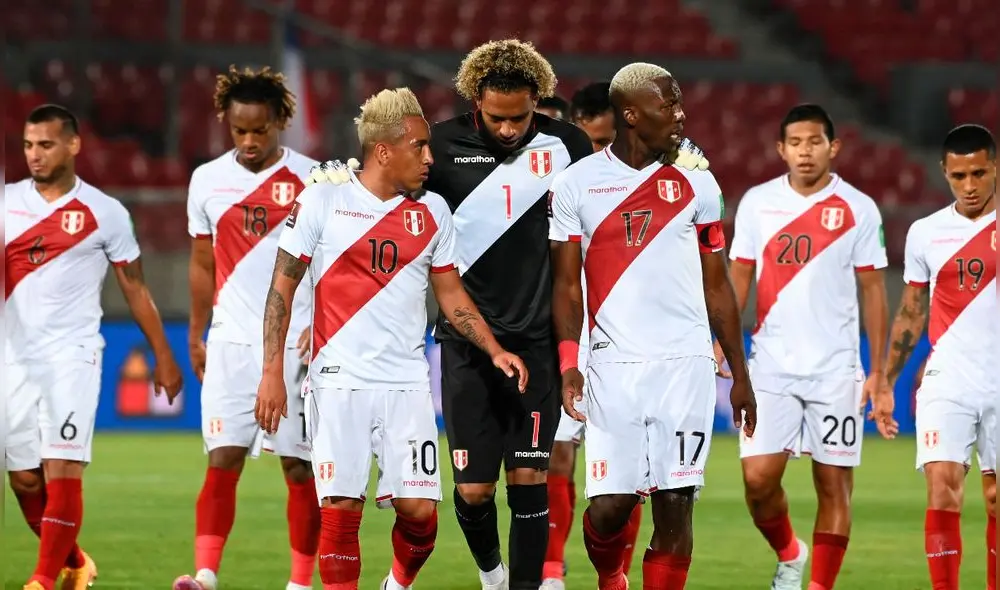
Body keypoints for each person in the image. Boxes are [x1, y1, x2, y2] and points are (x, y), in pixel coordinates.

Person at [305, 39, 710, 590]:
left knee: (529, 481)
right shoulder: (442, 146)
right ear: (476, 101)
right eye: (497, 118)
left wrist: (673, 166)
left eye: (521, 117)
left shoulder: (566, 144)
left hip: (538, 341)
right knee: (471, 494)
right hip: (466, 341)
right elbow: (393, 193)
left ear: (537, 104)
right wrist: (342, 178)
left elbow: (613, 193)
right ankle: (492, 574)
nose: (509, 130)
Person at [253, 87, 529, 590]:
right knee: (340, 508)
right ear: (384, 151)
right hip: (339, 381)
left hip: (406, 383)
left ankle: (395, 585)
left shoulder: (433, 213)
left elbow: (451, 294)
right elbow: (280, 291)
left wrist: (494, 349)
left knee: (421, 514)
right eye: (420, 147)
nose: (430, 157)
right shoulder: (323, 199)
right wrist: (272, 372)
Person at [549, 62, 756, 590]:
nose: (682, 115)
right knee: (610, 508)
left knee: (675, 503)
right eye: (670, 106)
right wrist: (569, 363)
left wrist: (740, 374)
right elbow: (568, 286)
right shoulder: (576, 185)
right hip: (611, 366)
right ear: (632, 114)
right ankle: (611, 573)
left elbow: (718, 287)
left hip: (684, 366)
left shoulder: (698, 183)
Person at [6, 104, 183, 590]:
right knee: (23, 479)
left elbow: (136, 288)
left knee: (62, 465)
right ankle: (76, 561)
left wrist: (164, 355)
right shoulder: (7, 204)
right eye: (27, 145)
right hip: (13, 358)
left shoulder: (105, 213)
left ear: (73, 145)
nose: (35, 155)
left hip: (73, 355)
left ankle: (41, 580)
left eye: (45, 144)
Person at [723, 103, 893, 590]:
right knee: (758, 480)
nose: (804, 151)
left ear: (832, 147)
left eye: (814, 142)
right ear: (781, 149)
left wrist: (877, 371)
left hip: (836, 369)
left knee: (834, 484)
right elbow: (738, 276)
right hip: (771, 365)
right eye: (795, 143)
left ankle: (818, 586)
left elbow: (875, 291)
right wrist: (724, 341)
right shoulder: (757, 203)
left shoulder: (859, 208)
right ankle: (789, 553)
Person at [174, 66, 320, 590]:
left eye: (260, 129)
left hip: (297, 343)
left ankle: (300, 583)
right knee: (223, 458)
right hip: (230, 342)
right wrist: (195, 333)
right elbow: (200, 262)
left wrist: (322, 323)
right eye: (239, 131)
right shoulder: (207, 180)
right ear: (226, 123)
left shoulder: (314, 177)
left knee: (299, 468)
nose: (250, 141)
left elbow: (335, 261)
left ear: (280, 120)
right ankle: (206, 575)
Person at [882, 123, 996, 590]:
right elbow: (911, 311)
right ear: (944, 173)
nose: (969, 186)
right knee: (943, 487)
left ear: (994, 169)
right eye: (958, 176)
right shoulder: (926, 233)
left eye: (979, 174)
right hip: (948, 377)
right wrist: (886, 381)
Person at [543, 81, 642, 589]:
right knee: (558, 453)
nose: (603, 152)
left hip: (627, 335)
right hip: (568, 330)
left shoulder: (641, 183)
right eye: (593, 141)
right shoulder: (560, 188)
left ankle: (615, 574)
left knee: (631, 473)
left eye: (610, 141)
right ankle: (553, 571)